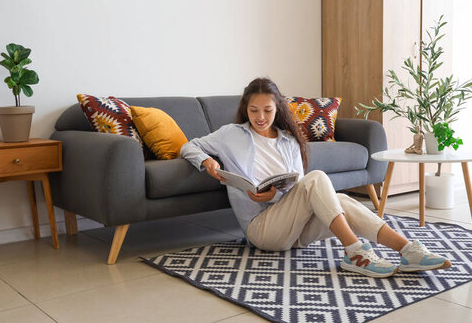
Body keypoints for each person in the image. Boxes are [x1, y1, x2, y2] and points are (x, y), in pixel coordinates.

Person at [181, 77, 451, 278]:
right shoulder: (231, 134)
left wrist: (275, 194)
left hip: (293, 228)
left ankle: (408, 251)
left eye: (267, 110)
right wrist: (206, 160)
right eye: (254, 110)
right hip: (261, 231)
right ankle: (355, 252)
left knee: (341, 200)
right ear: (245, 108)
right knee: (317, 179)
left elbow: (297, 188)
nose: (260, 117)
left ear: (277, 109)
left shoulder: (288, 141)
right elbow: (188, 145)